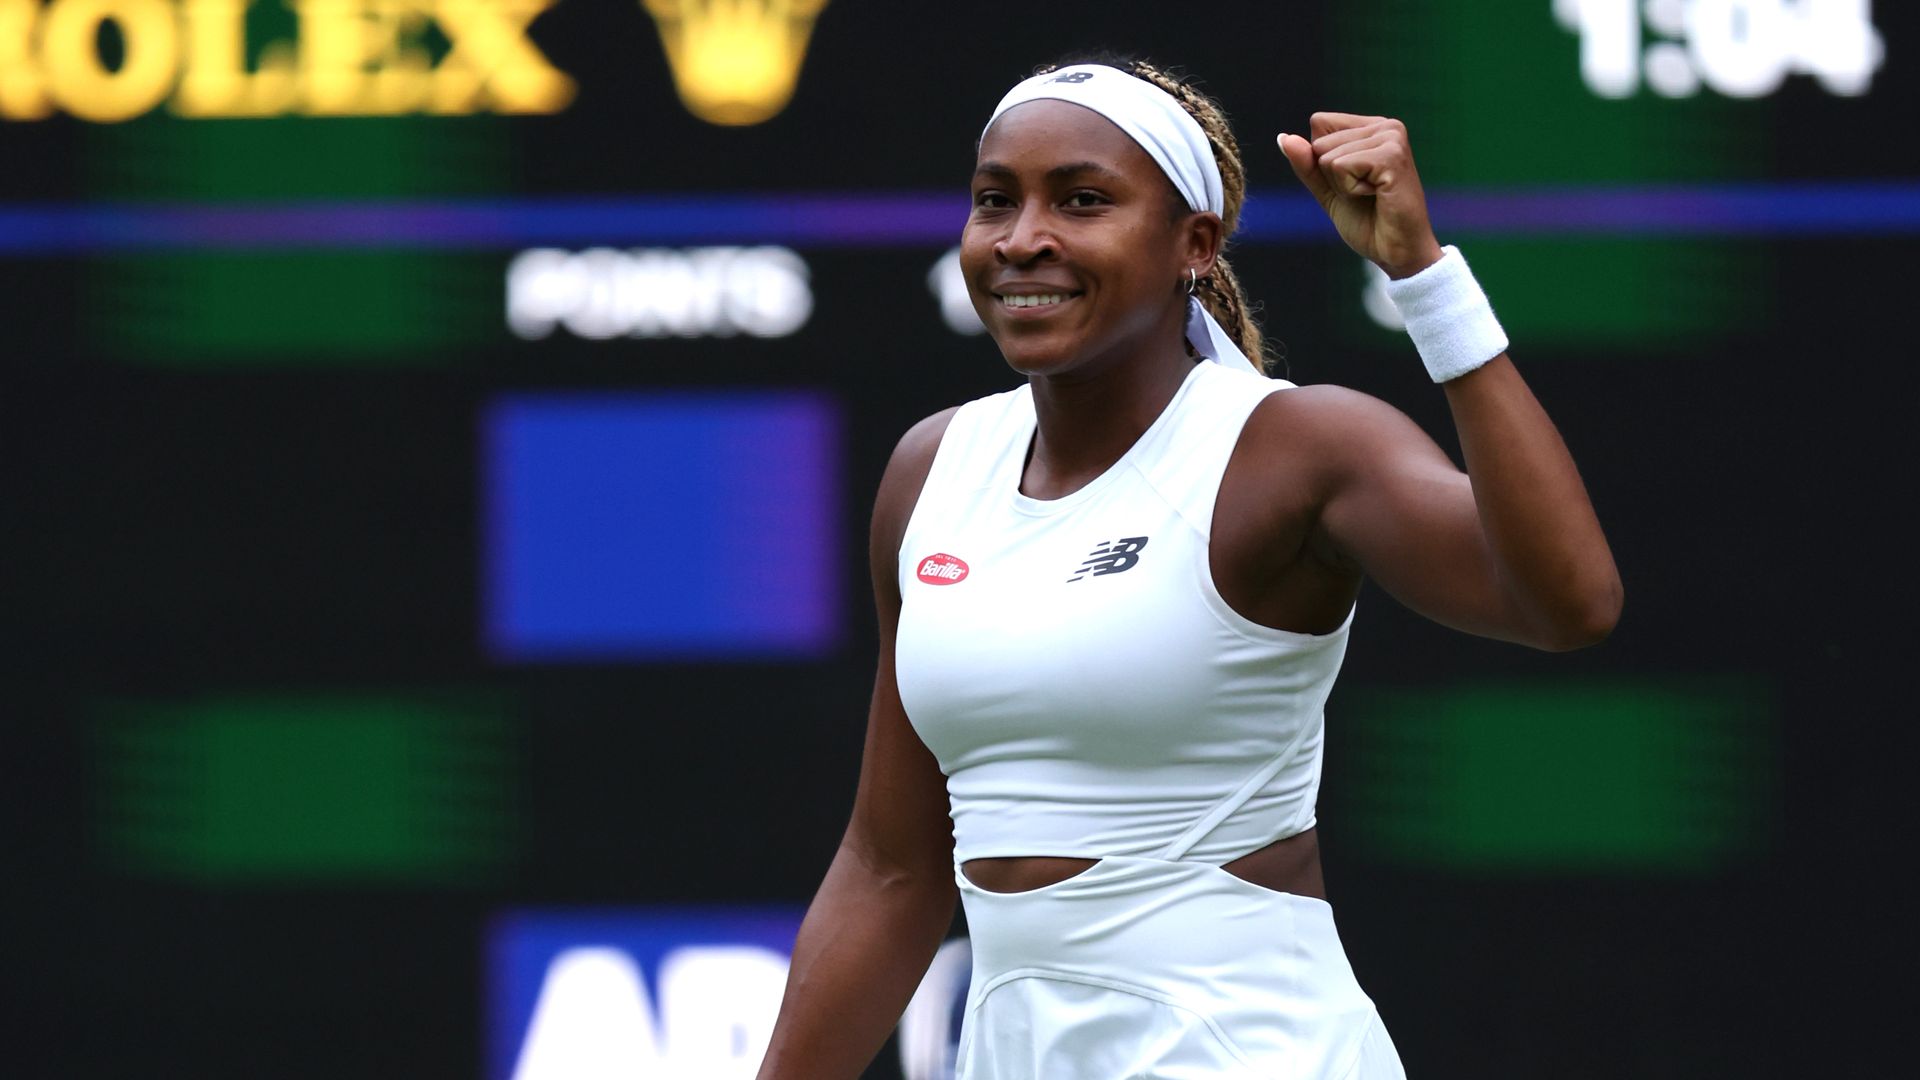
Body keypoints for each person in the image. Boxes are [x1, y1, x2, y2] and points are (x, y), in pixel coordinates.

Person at [757, 55, 1621, 1079]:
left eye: (1081, 200)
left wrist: (1422, 277)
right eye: (997, 200)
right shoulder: (929, 468)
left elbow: (1568, 603)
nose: (1023, 237)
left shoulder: (1295, 447)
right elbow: (890, 867)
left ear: (1193, 246)